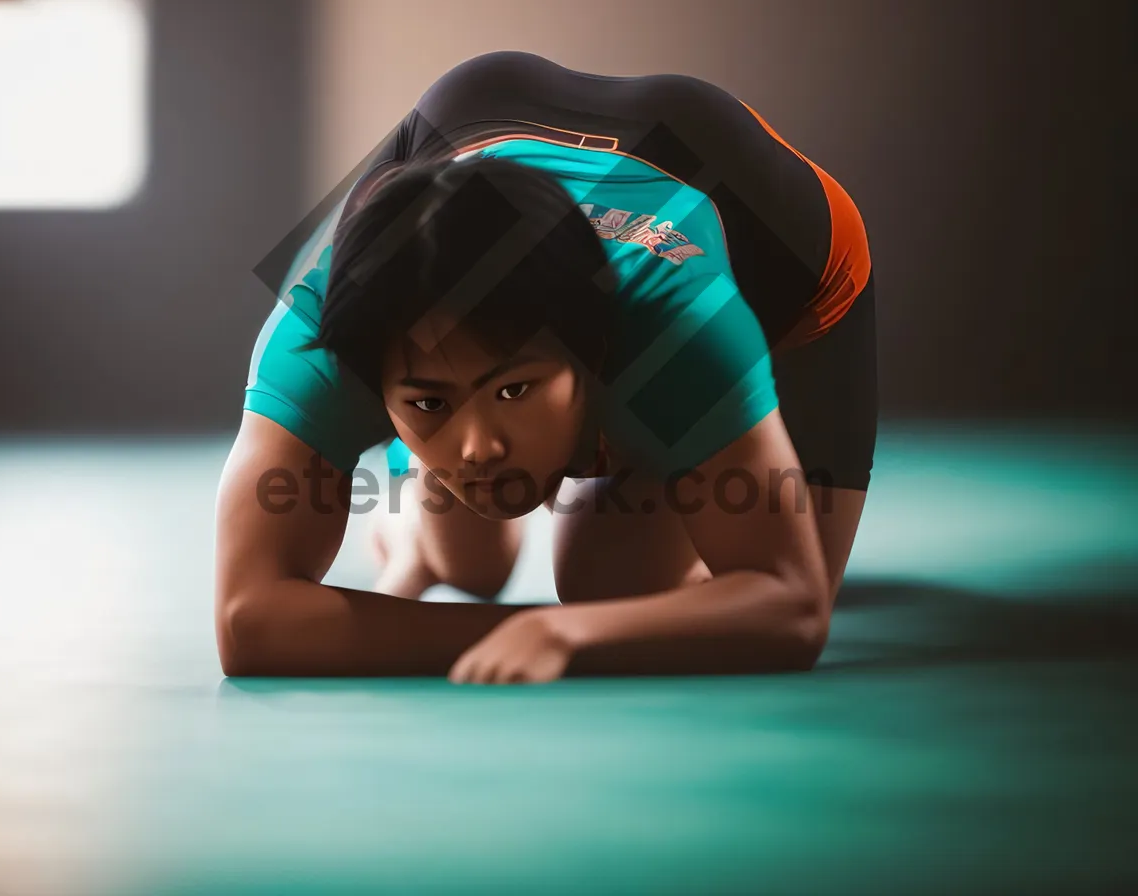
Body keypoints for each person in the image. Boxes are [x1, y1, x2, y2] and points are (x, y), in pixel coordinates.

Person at [214, 51, 876, 683]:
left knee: (613, 583)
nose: (479, 448)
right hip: (468, 114)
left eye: (515, 388)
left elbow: (792, 609)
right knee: (472, 567)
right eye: (428, 403)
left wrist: (571, 629)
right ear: (369, 381)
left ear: (592, 359)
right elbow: (248, 626)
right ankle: (425, 510)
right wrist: (538, 627)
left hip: (766, 224)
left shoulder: (672, 319)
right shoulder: (319, 333)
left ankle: (441, 460)